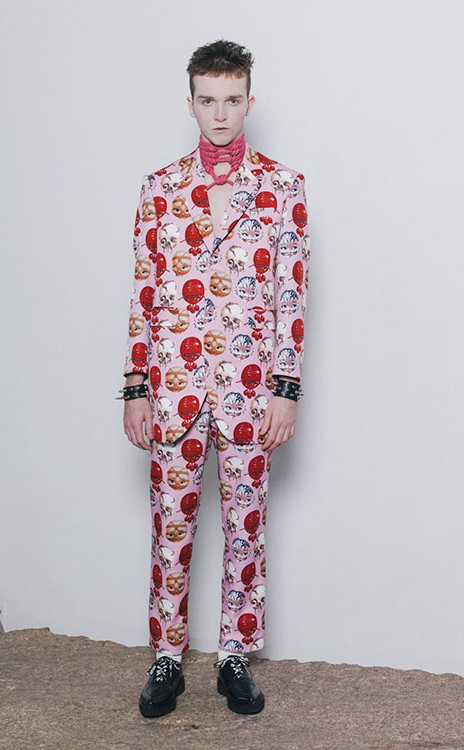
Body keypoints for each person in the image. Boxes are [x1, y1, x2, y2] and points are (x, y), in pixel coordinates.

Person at [117, 39, 311, 718]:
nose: (220, 114)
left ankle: (235, 657)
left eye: (232, 100)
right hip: (173, 390)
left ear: (249, 101)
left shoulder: (285, 188)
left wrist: (285, 390)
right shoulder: (159, 188)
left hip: (250, 393)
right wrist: (136, 388)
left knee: (245, 525)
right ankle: (167, 659)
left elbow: (292, 296)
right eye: (208, 100)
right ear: (191, 102)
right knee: (170, 526)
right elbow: (144, 293)